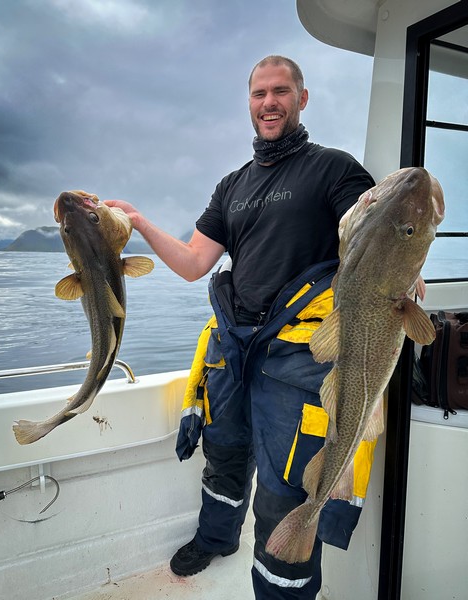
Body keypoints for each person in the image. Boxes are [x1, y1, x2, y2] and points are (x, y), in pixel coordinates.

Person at [105, 55, 376, 600]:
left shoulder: (334, 169)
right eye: (259, 94)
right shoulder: (233, 185)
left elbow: (375, 238)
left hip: (298, 359)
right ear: (249, 102)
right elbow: (191, 263)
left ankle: (281, 592)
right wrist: (138, 223)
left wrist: (403, 274)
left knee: (284, 487)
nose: (269, 103)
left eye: (280, 91)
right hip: (234, 348)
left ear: (303, 98)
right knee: (223, 454)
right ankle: (216, 537)